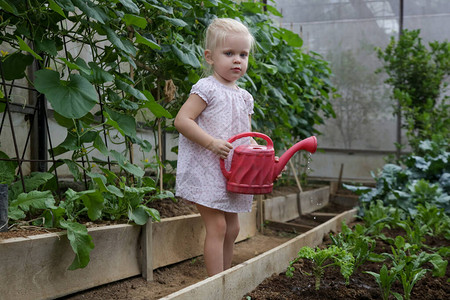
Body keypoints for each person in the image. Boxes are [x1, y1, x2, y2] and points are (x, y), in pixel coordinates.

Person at [174, 17, 256, 277]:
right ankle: (214, 285)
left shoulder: (244, 97)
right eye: (229, 53)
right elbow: (182, 120)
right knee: (218, 227)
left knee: (233, 229)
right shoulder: (206, 89)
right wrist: (210, 142)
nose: (237, 60)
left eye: (243, 54)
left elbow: (246, 136)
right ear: (210, 57)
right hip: (207, 170)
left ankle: (224, 279)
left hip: (234, 173)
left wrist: (257, 150)